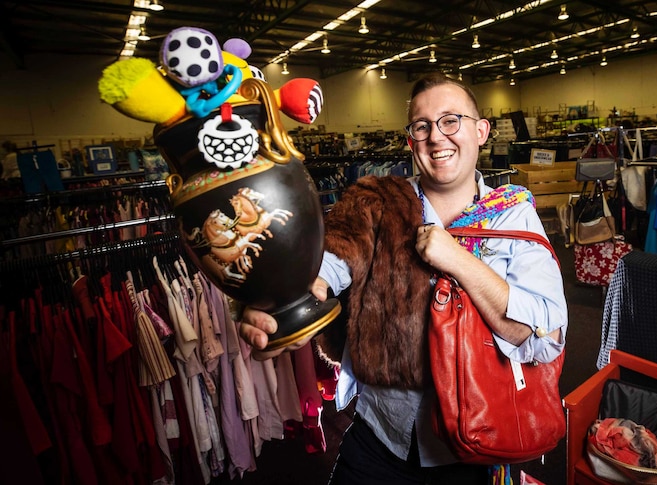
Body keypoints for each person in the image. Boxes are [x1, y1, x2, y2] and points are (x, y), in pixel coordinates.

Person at [239, 72, 568, 484]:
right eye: (422, 126)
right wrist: (284, 307)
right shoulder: (379, 203)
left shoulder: (514, 216)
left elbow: (541, 332)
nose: (437, 137)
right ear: (410, 140)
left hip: (472, 447)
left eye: (452, 121)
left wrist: (457, 260)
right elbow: (331, 263)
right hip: (379, 437)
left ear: (481, 131)